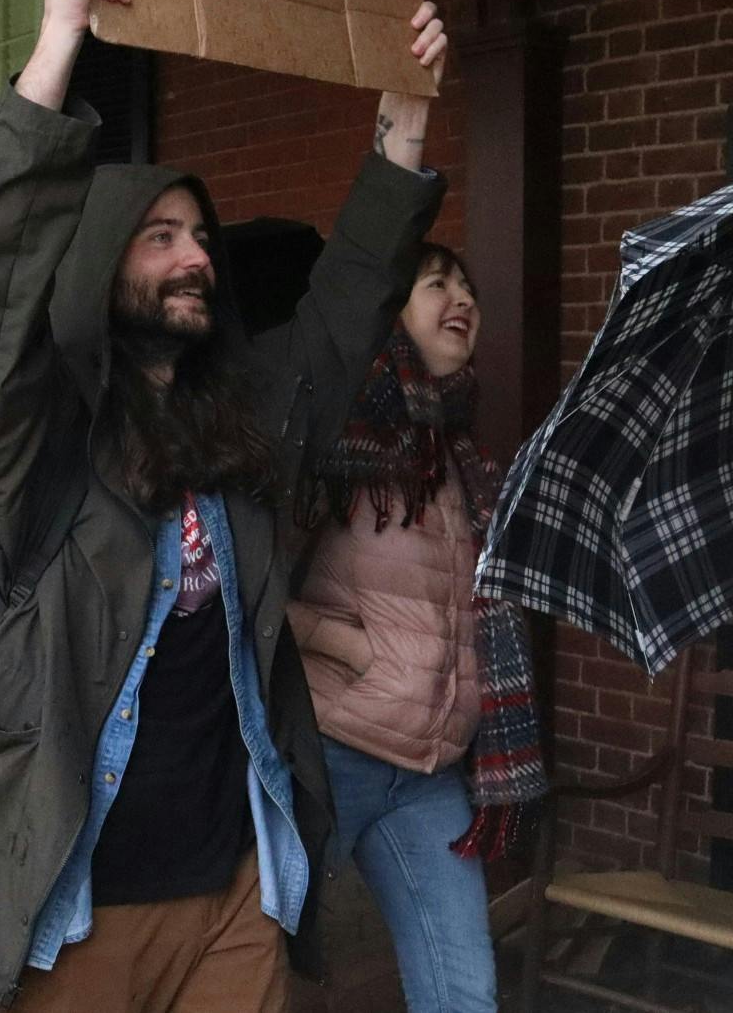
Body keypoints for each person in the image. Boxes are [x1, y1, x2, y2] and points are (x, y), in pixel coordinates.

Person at [0, 0, 450, 1010]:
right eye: (157, 237)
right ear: (94, 271)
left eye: (199, 237)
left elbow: (340, 314)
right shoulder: (35, 446)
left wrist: (401, 123)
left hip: (232, 893)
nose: (191, 257)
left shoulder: (233, 426)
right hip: (69, 911)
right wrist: (57, 37)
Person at [286, 244, 546, 1012]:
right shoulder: (340, 442)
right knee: (263, 975)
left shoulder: (467, 462)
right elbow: (250, 582)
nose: (461, 296)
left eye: (468, 284)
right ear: (392, 310)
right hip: (332, 754)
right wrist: (350, 647)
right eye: (437, 283)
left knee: (464, 992)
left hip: (432, 775)